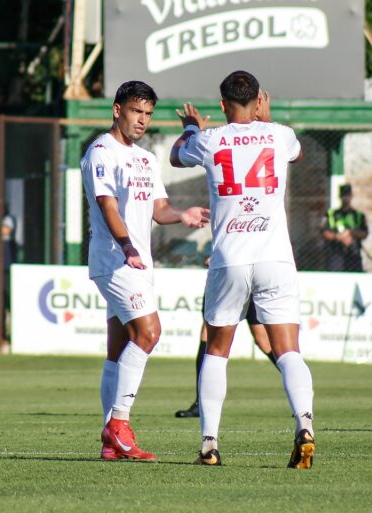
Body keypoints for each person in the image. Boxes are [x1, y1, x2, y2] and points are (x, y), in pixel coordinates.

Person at [170, 70, 316, 469]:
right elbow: (297, 153)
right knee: (288, 351)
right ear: (258, 100)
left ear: (222, 105)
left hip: (230, 258)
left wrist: (190, 127)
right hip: (275, 258)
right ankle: (305, 425)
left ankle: (209, 445)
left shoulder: (209, 139)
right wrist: (266, 120)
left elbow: (176, 156)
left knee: (217, 351)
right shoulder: (280, 134)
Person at [80, 80, 210, 462]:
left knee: (118, 348)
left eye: (148, 114)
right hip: (115, 260)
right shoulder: (101, 152)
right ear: (117, 110)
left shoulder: (147, 159)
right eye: (136, 111)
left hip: (137, 262)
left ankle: (110, 442)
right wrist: (127, 247)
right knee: (150, 333)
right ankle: (119, 425)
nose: (142, 120)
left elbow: (159, 209)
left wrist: (181, 215)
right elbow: (107, 205)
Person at [175, 299, 278, 418]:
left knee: (264, 342)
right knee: (208, 333)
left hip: (248, 292)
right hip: (223, 290)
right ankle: (200, 403)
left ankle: (297, 393)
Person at [321, 184, 368, 272]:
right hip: (336, 252)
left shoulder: (358, 215)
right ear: (340, 197)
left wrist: (350, 233)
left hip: (353, 253)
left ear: (351, 196)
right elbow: (324, 232)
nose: (345, 198)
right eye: (343, 195)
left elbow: (364, 233)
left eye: (348, 195)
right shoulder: (331, 214)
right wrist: (338, 237)